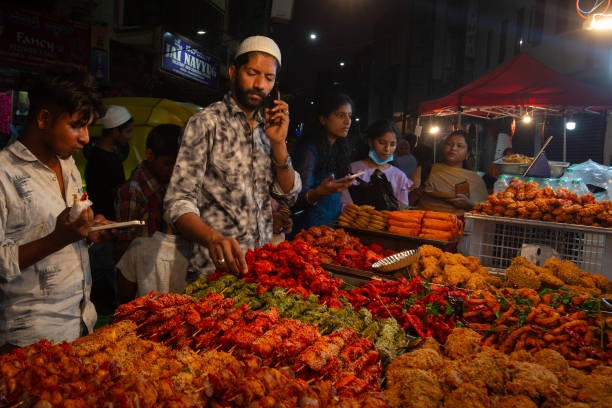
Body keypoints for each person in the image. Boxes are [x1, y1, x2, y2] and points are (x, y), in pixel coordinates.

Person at [164, 35, 301, 277]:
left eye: (268, 78)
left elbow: (289, 195)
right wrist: (211, 237)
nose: (260, 84)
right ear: (233, 72)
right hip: (215, 272)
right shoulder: (206, 123)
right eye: (252, 73)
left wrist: (279, 143)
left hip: (260, 270)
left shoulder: (268, 129)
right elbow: (177, 202)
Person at [0, 63, 113, 349]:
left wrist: (88, 231)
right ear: (44, 119)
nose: (86, 138)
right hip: (29, 342)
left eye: (87, 126)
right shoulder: (3, 173)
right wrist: (58, 239)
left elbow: (72, 231)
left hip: (80, 325)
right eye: (76, 126)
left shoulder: (70, 164)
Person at [289, 89, 356, 236]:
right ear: (323, 119)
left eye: (349, 116)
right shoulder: (309, 150)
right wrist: (321, 192)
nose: (347, 121)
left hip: (330, 229)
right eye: (340, 115)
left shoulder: (338, 149)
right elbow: (297, 198)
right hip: (307, 231)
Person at [114, 124, 182, 260]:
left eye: (178, 164)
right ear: (150, 155)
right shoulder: (133, 191)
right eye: (168, 164)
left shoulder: (172, 183)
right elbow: (123, 249)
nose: (173, 170)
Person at [341, 119, 412, 210]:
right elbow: (344, 205)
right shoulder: (352, 169)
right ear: (370, 142)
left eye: (392, 144)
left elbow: (404, 207)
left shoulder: (400, 176)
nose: (387, 149)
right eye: (382, 143)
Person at [413, 130, 489, 215]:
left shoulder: (475, 180)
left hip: (457, 226)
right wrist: (419, 191)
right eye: (449, 144)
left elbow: (485, 212)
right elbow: (405, 202)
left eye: (459, 146)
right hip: (425, 224)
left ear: (467, 153)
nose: (453, 148)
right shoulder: (425, 170)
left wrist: (468, 205)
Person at [115, 219, 191, 303]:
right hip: (187, 314)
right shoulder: (197, 250)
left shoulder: (139, 245)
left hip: (145, 313)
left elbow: (125, 294)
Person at [84, 105, 133, 220]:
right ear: (115, 131)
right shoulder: (100, 159)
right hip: (104, 221)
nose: (130, 136)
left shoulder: (107, 154)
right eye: (128, 131)